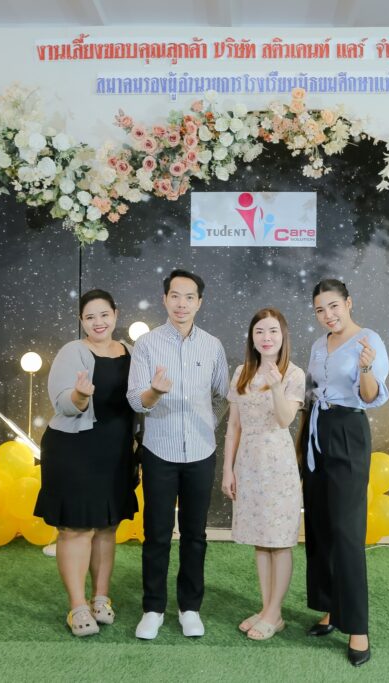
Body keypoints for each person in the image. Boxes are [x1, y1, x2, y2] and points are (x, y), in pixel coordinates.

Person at [126, 268, 229, 640]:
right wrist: (154, 392)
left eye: (189, 297)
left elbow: (221, 396)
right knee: (156, 534)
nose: (181, 304)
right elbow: (135, 399)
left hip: (201, 452)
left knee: (194, 535)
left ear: (199, 302)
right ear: (164, 299)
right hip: (160, 451)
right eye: (175, 296)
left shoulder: (212, 345)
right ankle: (153, 609)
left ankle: (190, 608)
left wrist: (207, 425)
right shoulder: (147, 345)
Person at [34, 289, 138, 637]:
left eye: (104, 314)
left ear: (115, 314)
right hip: (74, 450)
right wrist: (80, 395)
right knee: (76, 529)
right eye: (90, 317)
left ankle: (101, 599)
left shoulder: (131, 352)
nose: (98, 322)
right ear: (81, 320)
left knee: (107, 526)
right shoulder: (72, 352)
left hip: (115, 452)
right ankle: (77, 606)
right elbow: (63, 403)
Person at [303, 279, 389, 667]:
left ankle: (357, 627)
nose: (328, 315)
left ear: (349, 303)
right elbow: (311, 391)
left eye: (334, 306)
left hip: (348, 431)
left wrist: (366, 367)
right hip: (316, 430)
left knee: (347, 531)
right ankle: (330, 609)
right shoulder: (318, 345)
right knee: (320, 525)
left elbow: (369, 396)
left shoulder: (368, 340)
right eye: (320, 310)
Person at [221, 308, 305, 641]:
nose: (266, 338)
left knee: (279, 542)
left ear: (283, 336)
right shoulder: (241, 372)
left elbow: (285, 420)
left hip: (278, 465)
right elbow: (233, 427)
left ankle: (274, 612)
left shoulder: (294, 374)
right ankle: (268, 608)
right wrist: (228, 470)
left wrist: (276, 386)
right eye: (259, 331)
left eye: (272, 331)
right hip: (248, 464)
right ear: (252, 337)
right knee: (261, 540)